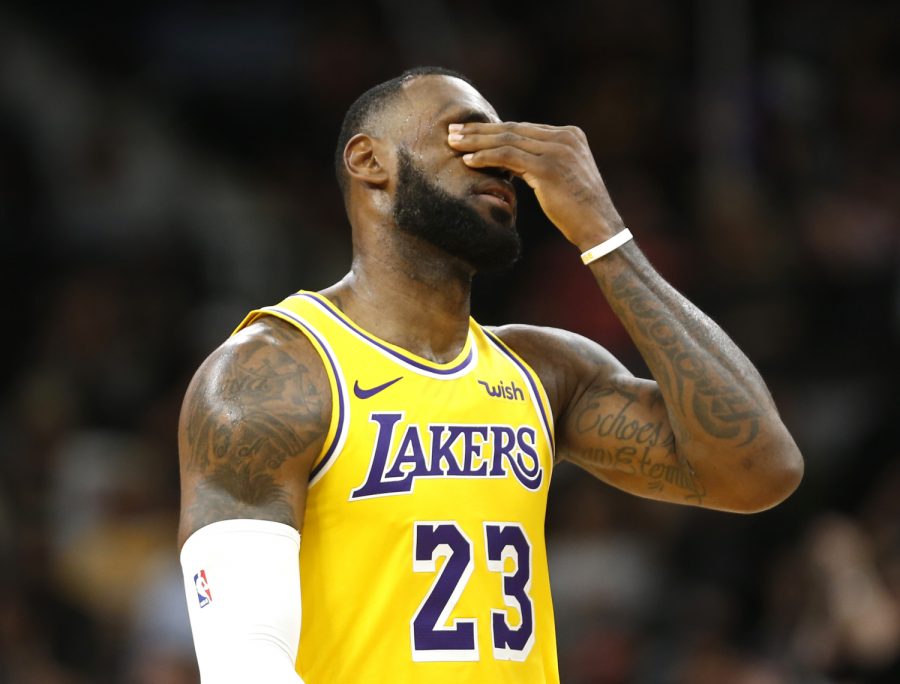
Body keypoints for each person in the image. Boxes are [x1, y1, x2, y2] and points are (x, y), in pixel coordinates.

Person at [176, 66, 803, 684]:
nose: (503, 162)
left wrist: (604, 233)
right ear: (370, 160)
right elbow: (244, 662)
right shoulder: (275, 371)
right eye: (468, 135)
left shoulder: (546, 372)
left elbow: (759, 471)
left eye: (508, 145)